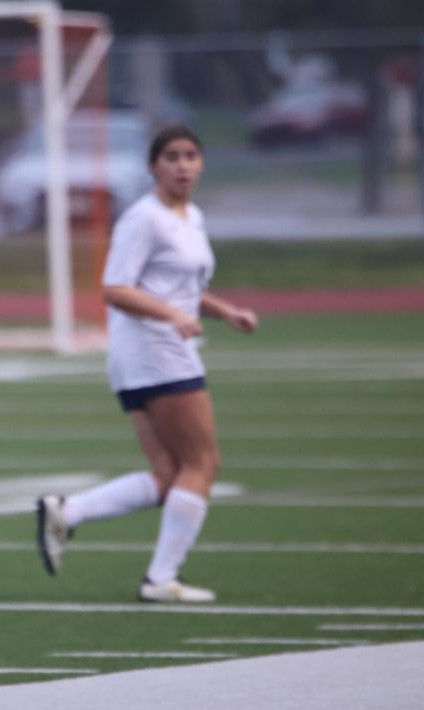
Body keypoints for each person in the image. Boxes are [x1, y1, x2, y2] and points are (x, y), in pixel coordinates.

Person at [36, 125, 258, 603]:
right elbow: (116, 288)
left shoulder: (190, 217)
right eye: (172, 156)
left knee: (168, 475)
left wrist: (225, 312)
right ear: (153, 167)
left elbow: (181, 289)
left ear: (201, 164)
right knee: (203, 463)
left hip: (147, 353)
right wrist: (173, 315)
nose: (182, 165)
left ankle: (67, 512)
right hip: (155, 352)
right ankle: (161, 579)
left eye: (190, 156)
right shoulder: (145, 218)